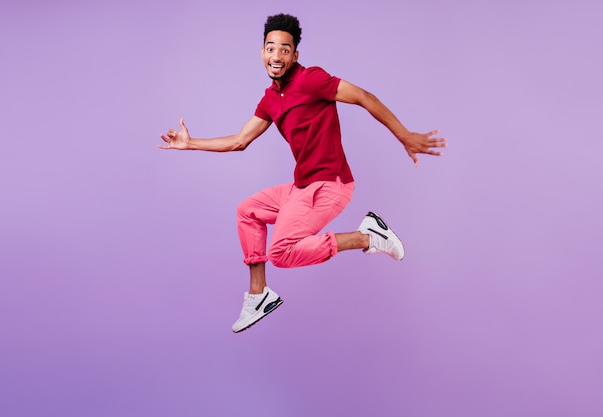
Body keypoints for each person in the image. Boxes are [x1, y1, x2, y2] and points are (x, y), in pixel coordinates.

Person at [159, 13, 447, 333]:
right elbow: (240, 141)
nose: (277, 56)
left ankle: (369, 237)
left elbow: (364, 97)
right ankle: (258, 296)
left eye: (285, 50)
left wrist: (404, 135)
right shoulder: (270, 99)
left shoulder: (312, 80)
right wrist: (190, 144)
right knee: (248, 211)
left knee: (281, 253)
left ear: (295, 55)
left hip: (330, 185)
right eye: (271, 48)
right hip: (301, 186)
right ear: (262, 52)